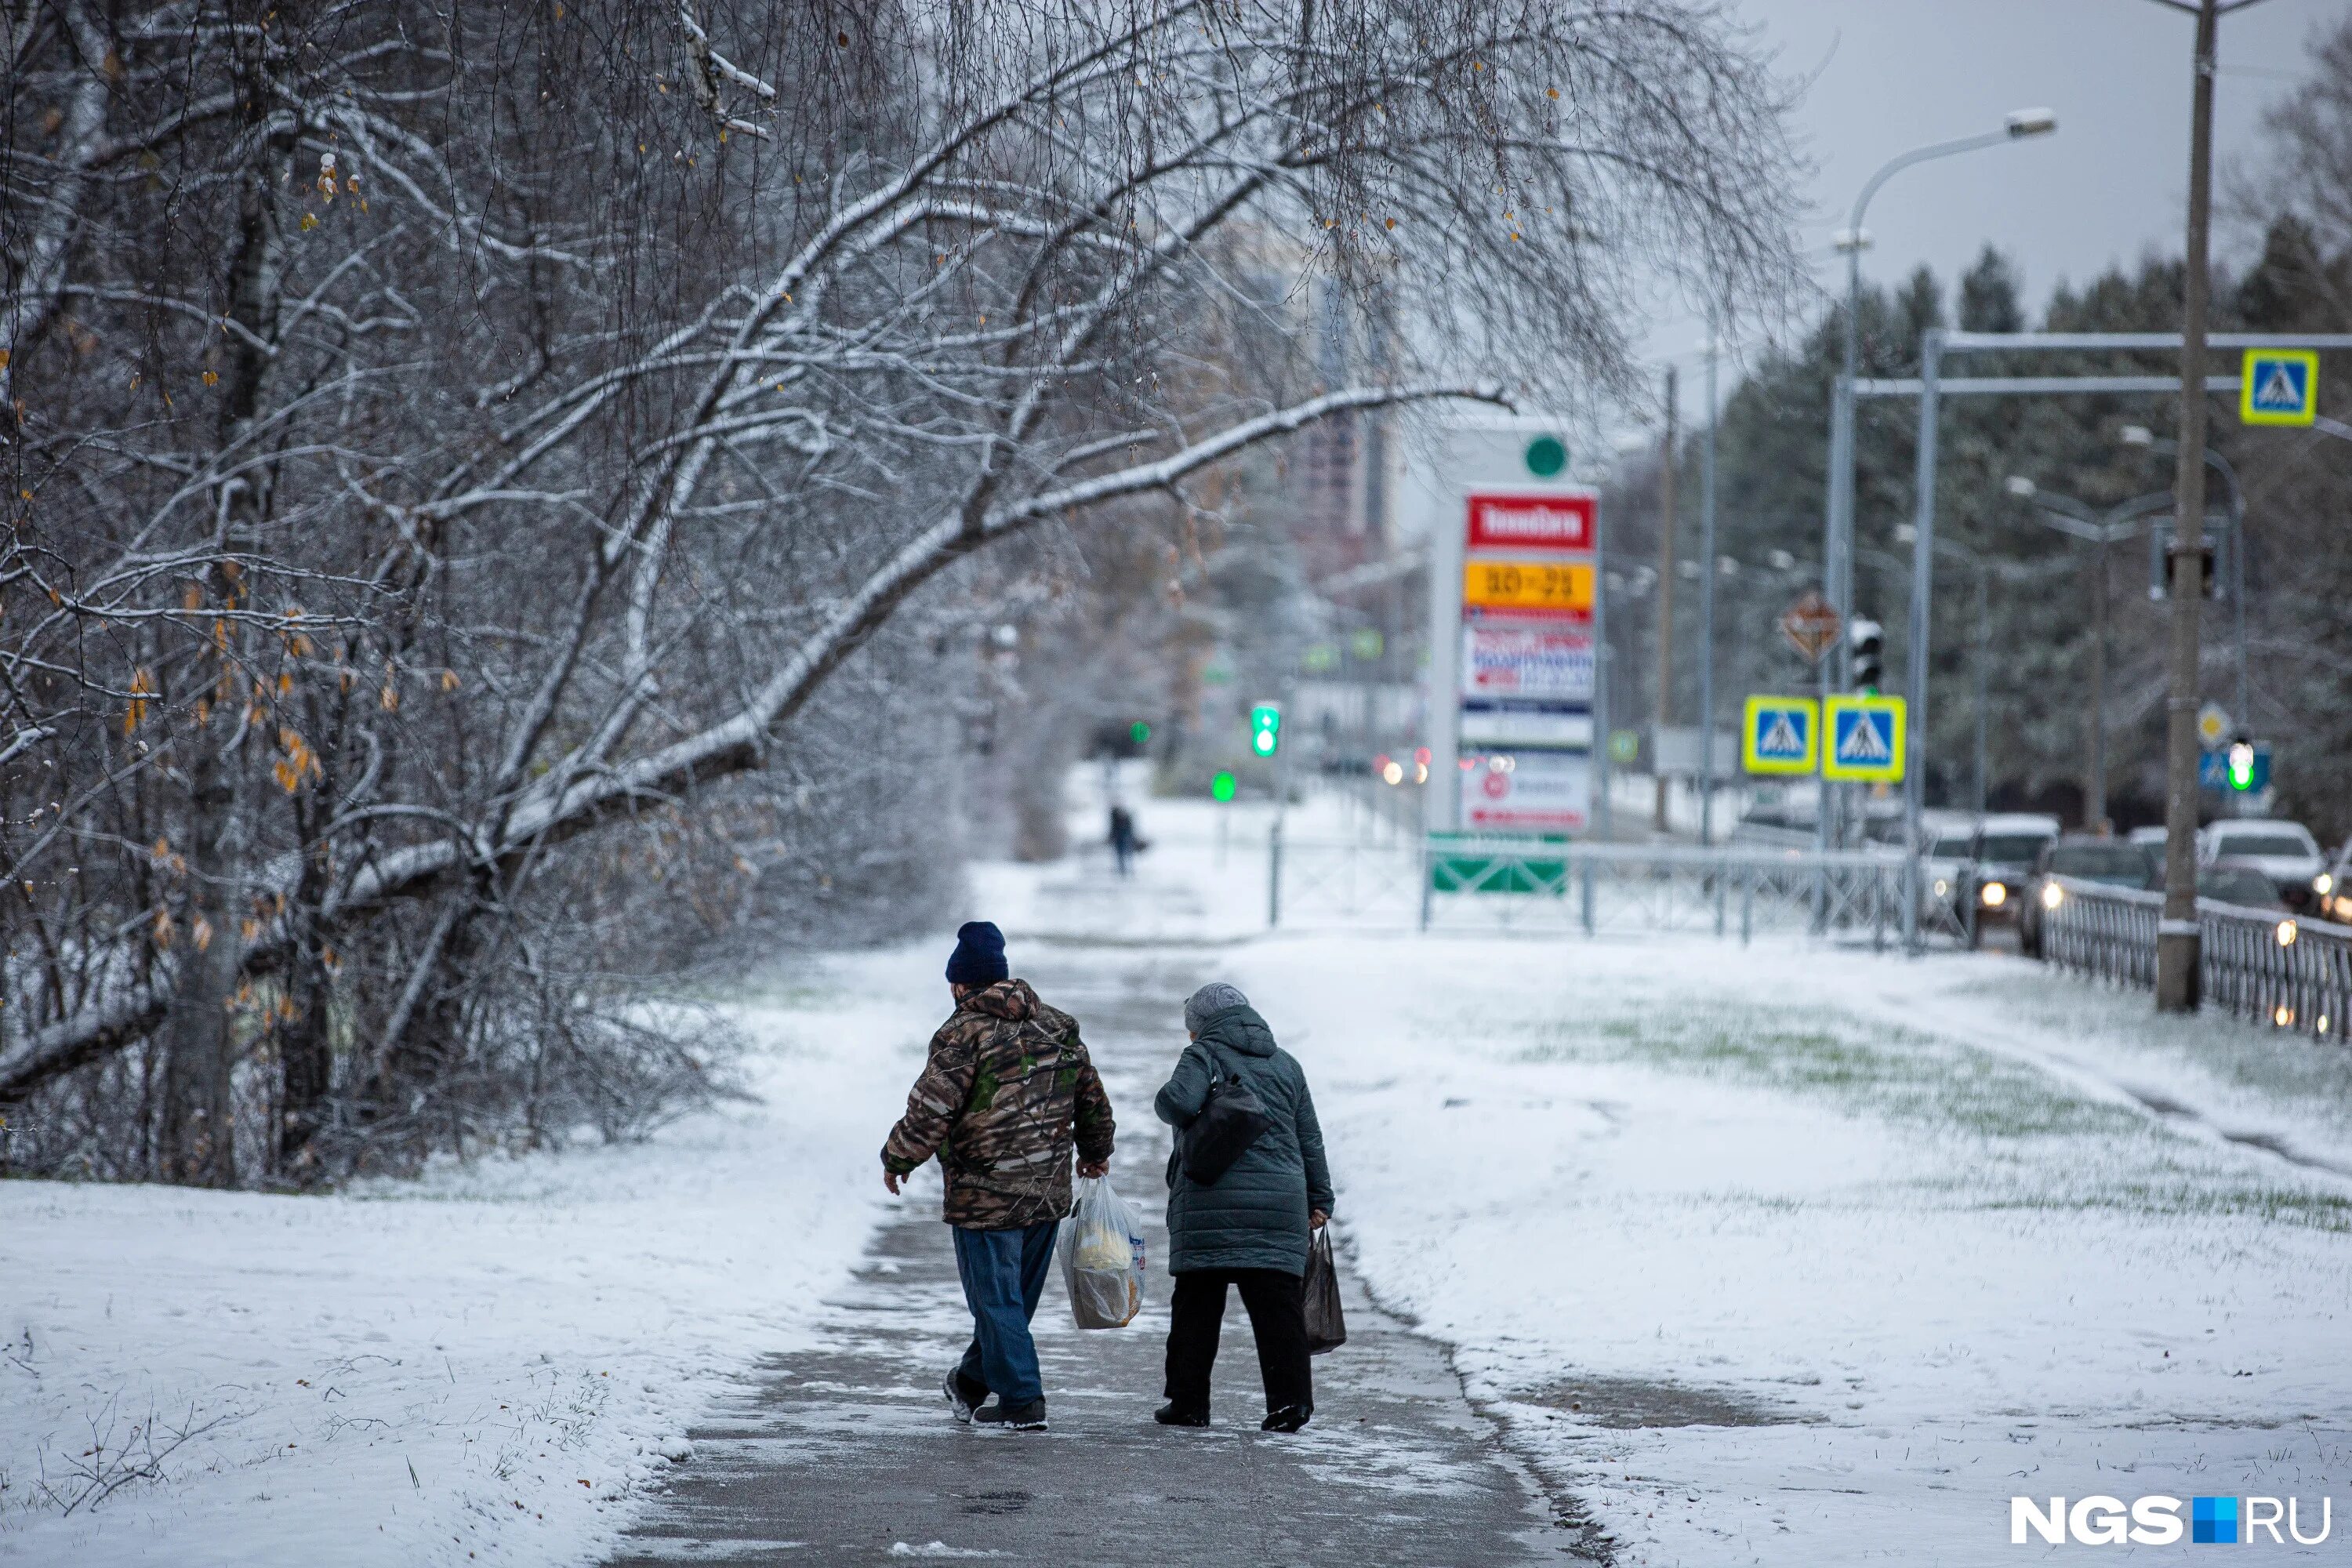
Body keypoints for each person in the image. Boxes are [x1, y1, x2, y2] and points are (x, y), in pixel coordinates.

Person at [881, 920, 1115, 1432]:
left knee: (996, 1300)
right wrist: (1095, 1153)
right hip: (1046, 1191)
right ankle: (969, 1382)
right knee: (1013, 1301)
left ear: (962, 983)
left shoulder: (962, 1033)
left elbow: (931, 1109)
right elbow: (1091, 1098)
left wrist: (898, 1157)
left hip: (985, 1193)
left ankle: (1023, 1399)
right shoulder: (1057, 1025)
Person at [1152, 981, 1333, 1433]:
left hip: (1210, 1203)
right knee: (1278, 1311)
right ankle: (1290, 1404)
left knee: (1197, 1309)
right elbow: (1309, 1137)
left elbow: (1176, 1103)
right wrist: (1320, 1199)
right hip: (1278, 1204)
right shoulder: (1286, 1064)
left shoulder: (1202, 1056)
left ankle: (1189, 1403)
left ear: (1199, 1027)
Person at [1109, 802, 1139, 878]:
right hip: (1120, 838)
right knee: (1121, 854)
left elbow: (1130, 829)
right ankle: (1124, 870)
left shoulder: (1126, 818)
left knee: (1126, 854)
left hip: (1125, 837)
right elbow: (1113, 829)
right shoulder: (1115, 817)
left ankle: (1126, 869)